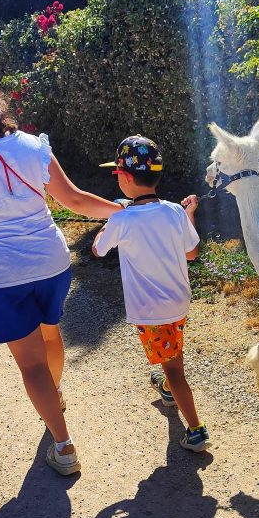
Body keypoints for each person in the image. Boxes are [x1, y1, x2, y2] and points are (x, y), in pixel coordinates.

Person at [0, 68, 122, 476]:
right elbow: (72, 199)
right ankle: (54, 397)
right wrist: (119, 209)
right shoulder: (34, 147)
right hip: (51, 264)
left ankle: (64, 445)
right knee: (50, 332)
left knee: (30, 365)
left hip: (0, 277)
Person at [92, 135, 210, 451]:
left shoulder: (121, 218)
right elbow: (191, 253)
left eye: (116, 174)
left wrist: (109, 218)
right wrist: (189, 214)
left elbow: (98, 250)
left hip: (151, 311)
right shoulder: (174, 211)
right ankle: (171, 392)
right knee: (172, 352)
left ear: (126, 178)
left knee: (173, 368)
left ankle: (197, 430)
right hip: (178, 302)